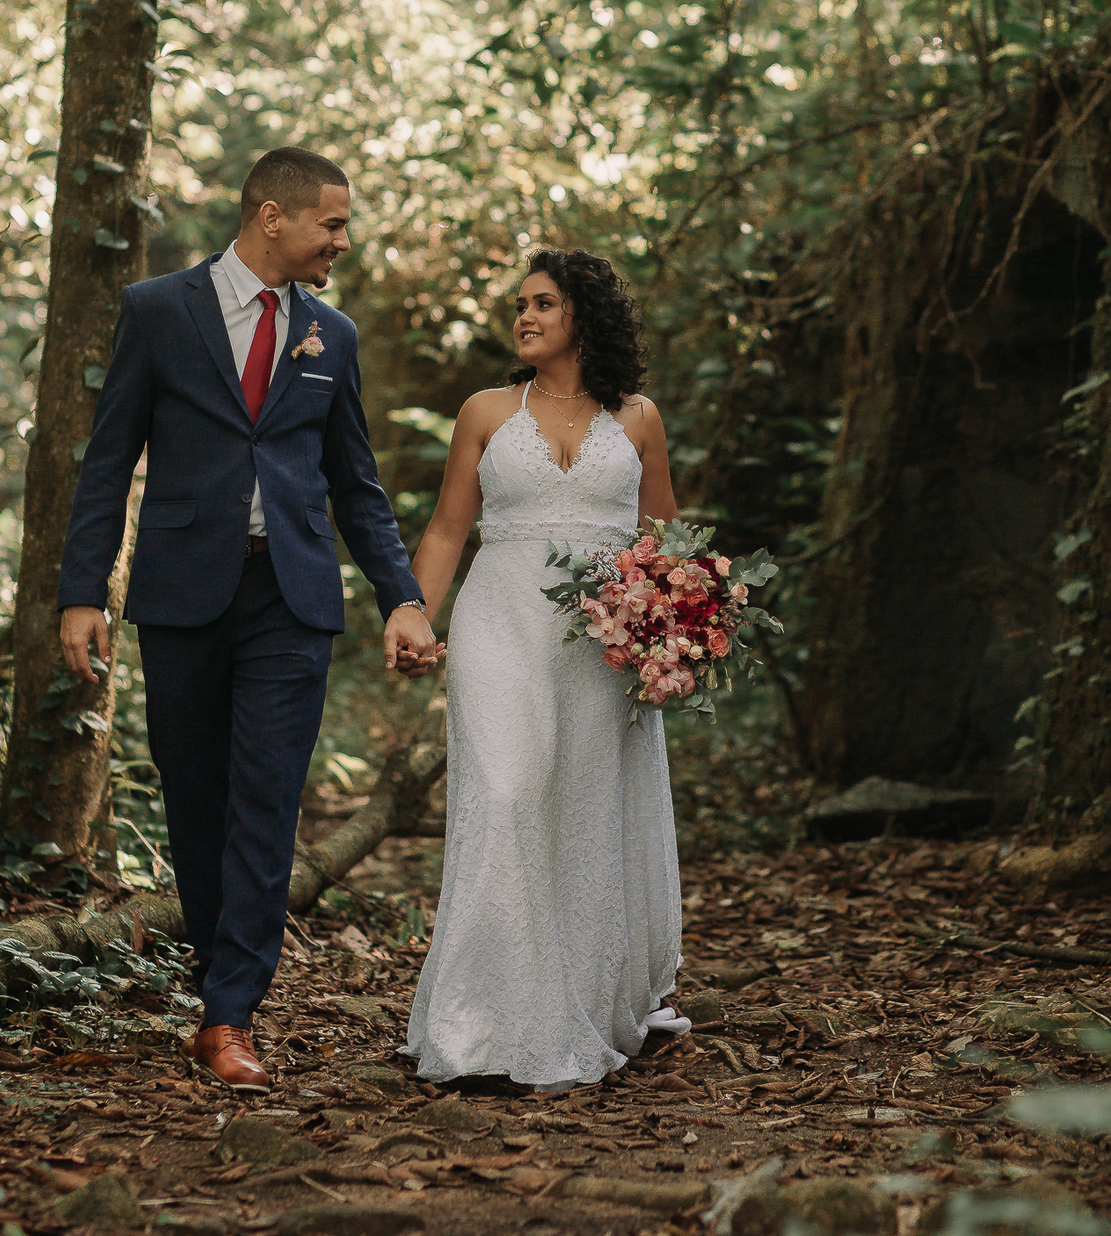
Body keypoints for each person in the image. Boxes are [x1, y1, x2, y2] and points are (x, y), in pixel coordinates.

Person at [57, 147, 437, 1092]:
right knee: (197, 801)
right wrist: (81, 592)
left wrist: (401, 595)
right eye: (332, 224)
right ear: (274, 216)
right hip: (182, 595)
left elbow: (356, 482)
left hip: (291, 598)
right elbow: (108, 461)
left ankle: (231, 1014)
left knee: (267, 801)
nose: (342, 242)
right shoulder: (158, 310)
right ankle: (214, 983)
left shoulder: (331, 334)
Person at [402, 248, 690, 1093]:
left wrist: (679, 628)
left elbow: (665, 542)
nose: (523, 317)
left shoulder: (639, 418)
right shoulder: (486, 411)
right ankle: (481, 1026)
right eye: (520, 305)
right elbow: (448, 529)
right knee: (506, 794)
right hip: (498, 623)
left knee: (584, 809)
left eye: (542, 304)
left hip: (601, 646)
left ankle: (584, 1005)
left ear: (583, 316)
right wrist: (413, 614)